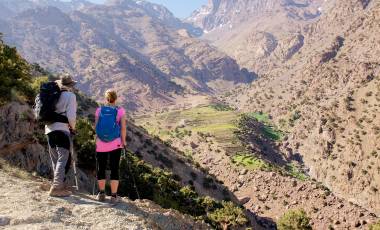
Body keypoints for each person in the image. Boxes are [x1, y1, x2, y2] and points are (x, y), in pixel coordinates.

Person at [45, 74, 77, 197]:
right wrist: (73, 128)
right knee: (63, 158)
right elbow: (71, 116)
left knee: (55, 159)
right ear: (70, 86)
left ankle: (59, 184)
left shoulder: (52, 95)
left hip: (49, 129)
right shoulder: (70, 96)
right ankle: (57, 187)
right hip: (62, 129)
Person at [95, 90, 126, 204]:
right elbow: (123, 128)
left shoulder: (99, 110)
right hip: (115, 143)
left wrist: (98, 140)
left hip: (101, 143)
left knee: (101, 168)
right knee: (114, 169)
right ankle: (113, 196)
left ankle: (101, 194)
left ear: (106, 98)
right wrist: (124, 142)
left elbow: (96, 127)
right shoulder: (120, 111)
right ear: (115, 98)